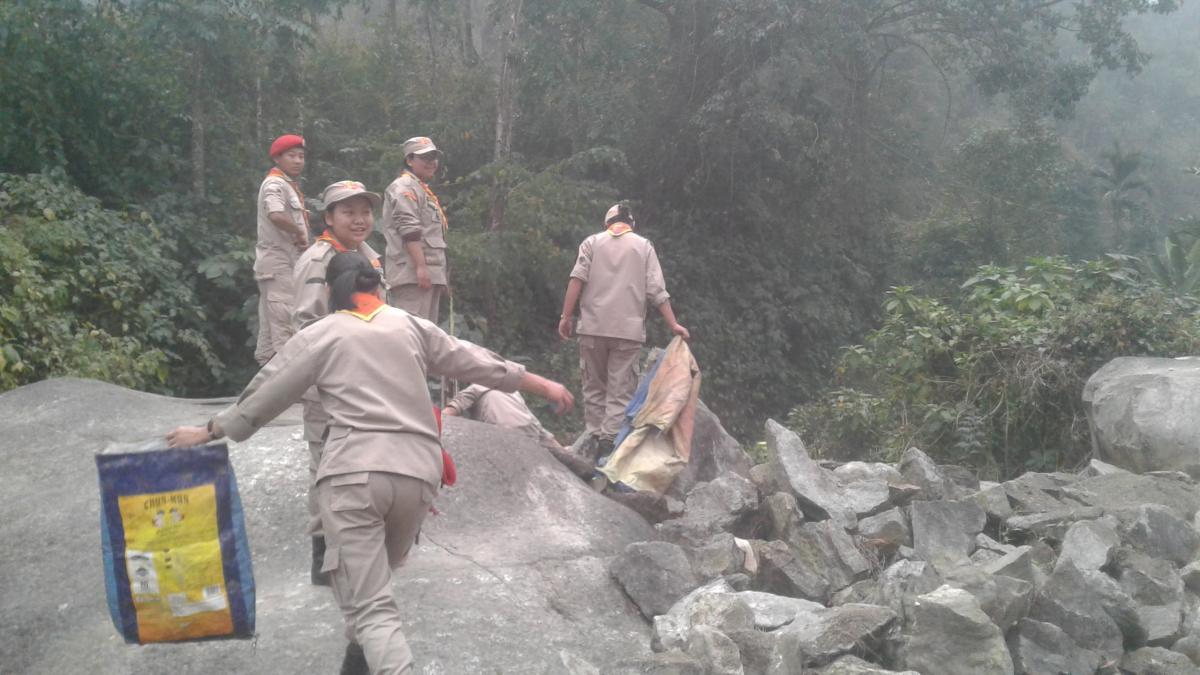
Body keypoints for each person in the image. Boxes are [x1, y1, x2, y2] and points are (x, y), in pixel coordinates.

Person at [168, 251, 573, 675]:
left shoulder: (321, 334)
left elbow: (264, 396)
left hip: (353, 478)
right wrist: (544, 385)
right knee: (369, 594)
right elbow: (478, 361)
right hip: (417, 479)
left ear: (329, 291)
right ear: (377, 287)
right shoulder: (411, 325)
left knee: (372, 608)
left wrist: (209, 431)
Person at [291, 180, 385, 586]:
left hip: (365, 383)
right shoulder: (319, 261)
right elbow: (308, 325)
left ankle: (353, 546)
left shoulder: (365, 255)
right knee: (326, 467)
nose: (359, 219)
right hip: (329, 385)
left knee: (361, 465)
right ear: (328, 218)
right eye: (348, 212)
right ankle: (322, 551)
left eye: (364, 211)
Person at [557, 203, 689, 457]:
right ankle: (609, 444)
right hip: (627, 332)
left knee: (594, 386)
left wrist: (565, 316)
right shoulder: (644, 246)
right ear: (631, 224)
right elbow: (656, 291)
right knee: (619, 391)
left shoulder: (591, 243)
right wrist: (673, 324)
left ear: (607, 223)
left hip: (592, 328)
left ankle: (595, 438)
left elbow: (576, 279)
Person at [443, 384, 595, 479]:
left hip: (503, 435)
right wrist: (561, 450)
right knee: (569, 462)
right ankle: (587, 470)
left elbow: (447, 414)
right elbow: (537, 427)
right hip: (530, 435)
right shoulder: (512, 391)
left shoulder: (475, 387)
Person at [254, 134, 311, 365]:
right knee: (285, 328)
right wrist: (298, 232)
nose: (298, 160)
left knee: (269, 336)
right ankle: (289, 395)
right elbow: (276, 214)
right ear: (277, 158)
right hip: (280, 265)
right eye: (291, 156)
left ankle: (265, 392)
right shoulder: (276, 184)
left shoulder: (286, 184)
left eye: (301, 156)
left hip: (279, 266)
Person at [381, 136, 449, 323]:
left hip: (429, 273)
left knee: (427, 334)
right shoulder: (404, 187)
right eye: (425, 158)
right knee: (411, 332)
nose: (432, 162)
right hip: (412, 274)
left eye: (434, 157)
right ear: (409, 160)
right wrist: (421, 267)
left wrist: (440, 275)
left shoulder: (420, 188)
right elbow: (409, 229)